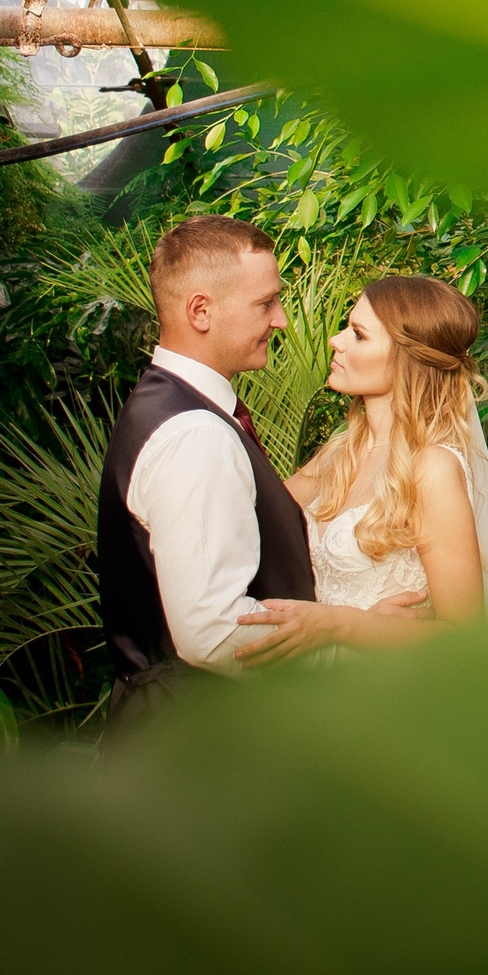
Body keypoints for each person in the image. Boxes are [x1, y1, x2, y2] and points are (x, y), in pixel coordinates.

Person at [233, 275, 488, 663]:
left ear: (409, 358)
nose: (336, 341)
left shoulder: (432, 468)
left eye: (358, 334)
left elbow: (463, 638)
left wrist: (343, 626)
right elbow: (247, 522)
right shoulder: (338, 454)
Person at [95, 214, 313, 723]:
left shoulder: (166, 403)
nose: (280, 319)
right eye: (265, 302)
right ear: (200, 310)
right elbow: (213, 632)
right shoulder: (195, 433)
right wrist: (340, 645)